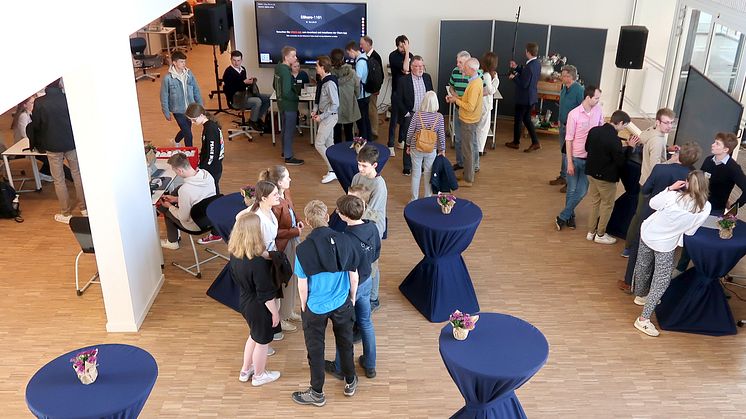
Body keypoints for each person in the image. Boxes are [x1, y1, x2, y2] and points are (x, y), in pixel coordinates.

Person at [292, 200, 360, 407]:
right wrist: (353, 297)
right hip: (341, 303)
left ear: (308, 222)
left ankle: (317, 393)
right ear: (328, 217)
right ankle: (350, 381)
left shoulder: (302, 250)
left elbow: (302, 285)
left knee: (316, 350)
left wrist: (304, 305)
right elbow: (353, 275)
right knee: (345, 343)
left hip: (315, 307)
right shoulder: (345, 240)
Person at [631, 170, 711, 337]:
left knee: (643, 266)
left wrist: (669, 189)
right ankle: (643, 319)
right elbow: (689, 232)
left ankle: (641, 295)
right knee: (661, 280)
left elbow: (653, 203)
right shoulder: (705, 208)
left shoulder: (672, 197)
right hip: (665, 244)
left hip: (648, 233)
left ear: (687, 183)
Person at [620, 142, 701, 292]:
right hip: (673, 222)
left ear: (678, 154)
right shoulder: (694, 175)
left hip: (651, 215)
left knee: (638, 248)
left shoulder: (660, 169)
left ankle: (630, 282)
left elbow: (646, 189)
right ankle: (652, 285)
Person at [325, 194, 381, 380]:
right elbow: (375, 253)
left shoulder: (344, 239)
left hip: (351, 287)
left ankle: (340, 367)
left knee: (344, 327)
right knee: (366, 322)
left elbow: (341, 267)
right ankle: (370, 365)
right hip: (367, 281)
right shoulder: (372, 227)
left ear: (343, 216)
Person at [673, 132, 746, 274]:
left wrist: (733, 208)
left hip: (716, 210)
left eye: (717, 143)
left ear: (726, 150)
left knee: (709, 241)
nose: (712, 144)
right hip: (699, 205)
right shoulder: (708, 160)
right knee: (691, 233)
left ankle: (705, 271)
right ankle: (681, 268)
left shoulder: (733, 168)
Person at [229, 212, 281, 386]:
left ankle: (246, 370)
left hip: (244, 301)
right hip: (259, 306)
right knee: (262, 342)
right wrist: (275, 313)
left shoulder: (235, 254)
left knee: (253, 335)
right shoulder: (257, 263)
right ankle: (259, 375)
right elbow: (266, 294)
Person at [25, 79, 87, 224]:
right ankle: (84, 208)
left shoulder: (40, 102)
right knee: (77, 174)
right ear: (60, 84)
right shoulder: (68, 98)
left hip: (52, 145)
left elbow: (37, 125)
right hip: (70, 142)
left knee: (59, 180)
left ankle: (66, 213)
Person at [622, 108, 676, 257]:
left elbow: (651, 143)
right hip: (651, 185)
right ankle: (630, 248)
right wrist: (671, 161)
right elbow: (656, 168)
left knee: (639, 215)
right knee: (642, 216)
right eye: (666, 123)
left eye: (671, 123)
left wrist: (667, 149)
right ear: (658, 122)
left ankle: (629, 246)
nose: (669, 126)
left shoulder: (651, 131)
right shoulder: (658, 140)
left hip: (643, 180)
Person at [258, 166, 303, 333]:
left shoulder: (285, 193)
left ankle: (289, 310)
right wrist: (295, 231)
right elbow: (274, 231)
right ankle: (281, 317)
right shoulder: (274, 203)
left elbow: (291, 209)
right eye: (287, 177)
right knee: (285, 281)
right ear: (278, 182)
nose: (290, 180)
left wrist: (297, 220)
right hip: (283, 246)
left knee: (293, 279)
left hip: (291, 241)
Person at [584, 110, 639, 244]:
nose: (624, 128)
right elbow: (620, 162)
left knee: (594, 202)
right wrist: (630, 148)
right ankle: (601, 234)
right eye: (624, 126)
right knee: (607, 205)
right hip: (606, 178)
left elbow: (587, 148)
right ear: (620, 123)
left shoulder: (594, 131)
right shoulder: (614, 140)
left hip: (591, 173)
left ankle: (591, 232)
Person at [555, 85, 603, 230]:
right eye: (596, 98)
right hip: (575, 158)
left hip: (590, 159)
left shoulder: (598, 110)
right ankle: (570, 216)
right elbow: (568, 139)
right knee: (571, 190)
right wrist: (569, 162)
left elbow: (601, 128)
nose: (598, 101)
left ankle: (563, 215)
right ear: (588, 98)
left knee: (582, 191)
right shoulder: (574, 114)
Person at [350, 145, 387, 311]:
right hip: (358, 225)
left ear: (375, 165)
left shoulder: (379, 185)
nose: (360, 168)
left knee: (372, 264)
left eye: (364, 166)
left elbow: (369, 212)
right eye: (359, 164)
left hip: (372, 229)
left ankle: (374, 298)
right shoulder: (358, 177)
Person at [158, 153, 216, 249]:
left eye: (175, 172)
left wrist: (170, 206)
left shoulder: (185, 190)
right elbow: (199, 197)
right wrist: (177, 199)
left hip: (196, 226)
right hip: (210, 218)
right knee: (172, 201)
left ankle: (172, 242)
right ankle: (174, 237)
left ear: (180, 170)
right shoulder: (207, 175)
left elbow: (183, 217)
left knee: (166, 211)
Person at [446, 57, 482, 187]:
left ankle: (468, 179)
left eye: (465, 67)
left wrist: (456, 101)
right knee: (469, 148)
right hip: (470, 119)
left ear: (472, 69)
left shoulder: (474, 84)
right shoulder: (475, 81)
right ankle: (468, 173)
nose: (463, 69)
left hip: (469, 121)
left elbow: (470, 107)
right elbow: (467, 100)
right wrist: (456, 98)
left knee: (467, 150)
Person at [395, 55, 434, 176]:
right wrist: (406, 113)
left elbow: (431, 95)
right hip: (411, 115)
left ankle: (422, 164)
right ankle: (407, 165)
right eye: (417, 66)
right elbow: (398, 99)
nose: (420, 68)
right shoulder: (403, 80)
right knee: (409, 140)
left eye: (422, 66)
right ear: (411, 67)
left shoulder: (427, 78)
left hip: (425, 115)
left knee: (423, 140)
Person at [549, 65, 584, 191]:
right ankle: (562, 176)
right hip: (563, 126)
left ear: (570, 77)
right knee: (564, 154)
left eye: (564, 75)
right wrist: (559, 119)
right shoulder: (564, 88)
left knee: (570, 155)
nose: (561, 77)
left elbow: (582, 110)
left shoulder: (579, 90)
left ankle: (571, 183)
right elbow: (563, 105)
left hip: (572, 129)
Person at [406, 91, 445, 200]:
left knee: (415, 173)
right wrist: (442, 149)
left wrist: (408, 144)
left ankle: (414, 199)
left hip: (416, 147)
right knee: (428, 173)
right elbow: (441, 135)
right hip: (431, 149)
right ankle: (427, 198)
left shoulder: (417, 115)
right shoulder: (439, 117)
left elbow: (410, 131)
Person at [160, 51, 203, 147]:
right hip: (178, 111)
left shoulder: (189, 74)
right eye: (181, 62)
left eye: (184, 62)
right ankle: (190, 153)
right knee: (188, 134)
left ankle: (175, 141)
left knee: (186, 129)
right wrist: (166, 112)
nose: (184, 64)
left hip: (190, 110)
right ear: (174, 63)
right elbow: (164, 96)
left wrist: (200, 106)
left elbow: (196, 89)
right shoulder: (167, 78)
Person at [221, 50, 270, 132]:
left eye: (238, 61)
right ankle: (252, 121)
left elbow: (243, 86)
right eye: (234, 60)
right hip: (236, 99)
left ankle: (257, 118)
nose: (236, 63)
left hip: (245, 95)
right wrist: (243, 82)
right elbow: (230, 89)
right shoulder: (228, 72)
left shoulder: (243, 69)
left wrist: (249, 82)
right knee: (257, 101)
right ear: (231, 59)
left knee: (268, 98)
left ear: (241, 60)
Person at [506, 42, 541, 152]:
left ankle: (516, 142)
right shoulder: (536, 63)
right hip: (531, 97)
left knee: (518, 120)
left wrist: (513, 77)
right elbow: (526, 72)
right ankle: (535, 142)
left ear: (528, 52)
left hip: (523, 99)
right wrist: (516, 67)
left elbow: (524, 84)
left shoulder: (529, 66)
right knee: (526, 119)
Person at [274, 46, 304, 165]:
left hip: (281, 103)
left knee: (285, 129)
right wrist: (296, 97)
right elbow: (287, 91)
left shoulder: (278, 68)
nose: (295, 58)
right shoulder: (286, 71)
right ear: (286, 57)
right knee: (289, 130)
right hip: (289, 105)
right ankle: (288, 156)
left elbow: (274, 85)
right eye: (293, 56)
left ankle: (284, 151)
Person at [12, 96, 54, 183]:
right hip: (23, 148)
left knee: (53, 154)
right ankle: (44, 173)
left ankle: (46, 173)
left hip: (31, 144)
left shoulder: (31, 114)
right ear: (24, 105)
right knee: (51, 156)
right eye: (32, 103)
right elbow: (25, 135)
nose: (34, 105)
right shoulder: (23, 116)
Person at [185, 103, 224, 195]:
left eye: (194, 120)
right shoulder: (208, 126)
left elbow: (212, 153)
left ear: (201, 115)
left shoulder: (210, 129)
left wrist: (204, 169)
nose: (192, 123)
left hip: (212, 168)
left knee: (213, 192)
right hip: (212, 166)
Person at [312, 55, 340, 184]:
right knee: (329, 144)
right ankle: (335, 170)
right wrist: (314, 110)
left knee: (319, 143)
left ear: (322, 67)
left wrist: (321, 116)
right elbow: (319, 98)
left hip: (329, 117)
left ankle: (333, 170)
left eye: (317, 65)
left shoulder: (329, 83)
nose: (315, 67)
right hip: (325, 116)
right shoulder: (322, 81)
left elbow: (335, 104)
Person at [388, 35, 414, 156]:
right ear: (397, 45)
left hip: (407, 92)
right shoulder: (393, 56)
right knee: (394, 119)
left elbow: (410, 70)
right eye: (401, 46)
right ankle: (390, 145)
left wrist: (408, 53)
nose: (403, 48)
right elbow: (405, 68)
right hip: (396, 92)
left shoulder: (411, 56)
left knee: (406, 118)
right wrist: (407, 52)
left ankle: (401, 140)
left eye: (405, 45)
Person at [330, 48, 361, 144]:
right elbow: (357, 91)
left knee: (336, 132)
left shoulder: (330, 74)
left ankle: (336, 154)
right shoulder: (352, 73)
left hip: (335, 108)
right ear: (343, 58)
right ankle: (348, 153)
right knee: (349, 132)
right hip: (349, 106)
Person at [345, 41, 371, 142]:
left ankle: (363, 141)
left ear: (352, 50)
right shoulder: (365, 58)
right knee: (366, 119)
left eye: (349, 53)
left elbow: (357, 80)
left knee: (361, 120)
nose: (349, 55)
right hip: (366, 93)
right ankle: (368, 139)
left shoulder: (360, 62)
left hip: (361, 95)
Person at [477, 51, 499, 163]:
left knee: (480, 127)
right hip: (485, 104)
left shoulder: (480, 72)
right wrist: (496, 80)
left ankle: (478, 148)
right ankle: (479, 149)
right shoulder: (487, 75)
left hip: (480, 104)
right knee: (483, 127)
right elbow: (491, 90)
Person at [360, 35, 383, 141]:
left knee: (372, 110)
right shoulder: (365, 56)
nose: (360, 46)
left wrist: (376, 88)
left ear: (368, 44)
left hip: (372, 89)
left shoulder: (375, 56)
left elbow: (379, 75)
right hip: (368, 88)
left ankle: (374, 131)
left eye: (362, 44)